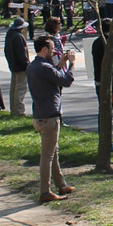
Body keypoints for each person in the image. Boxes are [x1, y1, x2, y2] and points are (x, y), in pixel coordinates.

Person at [27, 34, 77, 203]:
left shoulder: (34, 66)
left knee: (53, 152)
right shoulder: (45, 68)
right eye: (51, 48)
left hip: (39, 115)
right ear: (44, 49)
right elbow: (65, 80)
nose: (54, 51)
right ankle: (45, 191)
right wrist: (71, 64)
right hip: (49, 116)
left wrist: (60, 65)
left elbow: (52, 74)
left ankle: (61, 184)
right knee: (47, 156)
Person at [5, 17, 30, 116]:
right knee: (20, 89)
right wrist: (26, 64)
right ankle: (19, 111)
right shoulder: (18, 37)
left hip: (13, 65)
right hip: (20, 67)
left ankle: (13, 109)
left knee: (14, 89)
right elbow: (22, 53)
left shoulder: (9, 35)